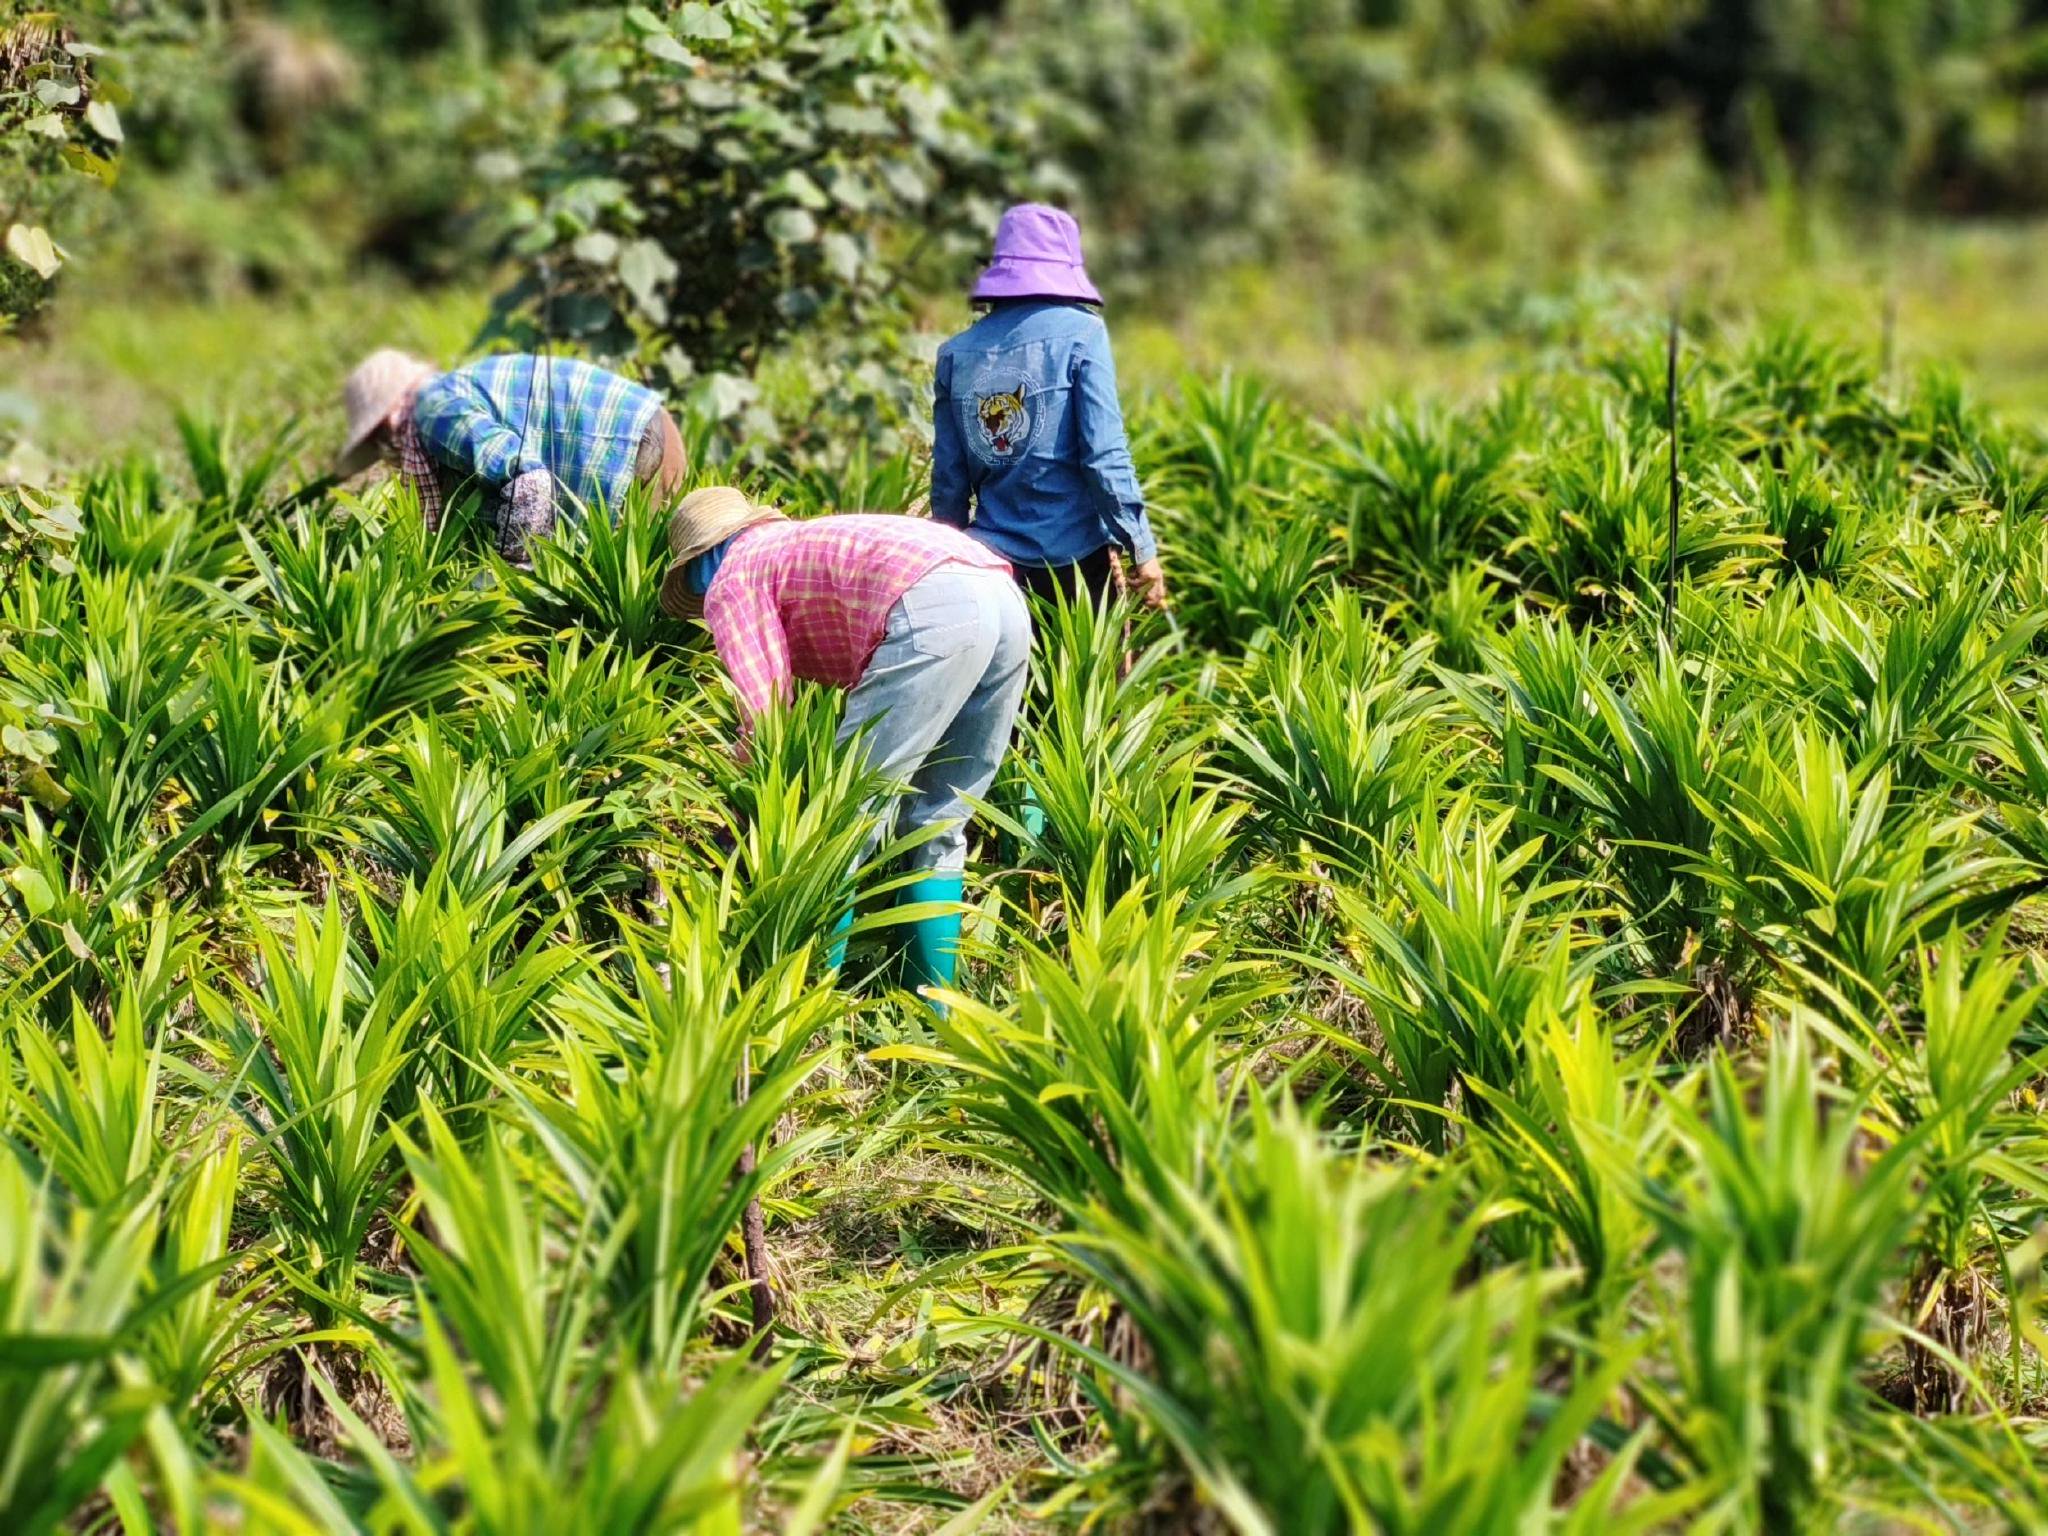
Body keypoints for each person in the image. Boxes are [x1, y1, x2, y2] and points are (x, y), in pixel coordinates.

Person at [658, 487, 1030, 1000]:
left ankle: (813, 1007)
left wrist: (738, 807)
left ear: (698, 564)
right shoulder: (790, 547)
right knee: (940, 819)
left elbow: (766, 713)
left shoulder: (732, 576)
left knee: (843, 820)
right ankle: (930, 1018)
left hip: (928, 607)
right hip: (1001, 594)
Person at [931, 203, 1166, 612]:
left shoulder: (956, 353)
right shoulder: (1083, 334)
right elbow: (1103, 457)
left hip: (991, 566)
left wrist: (947, 558)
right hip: (1077, 565)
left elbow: (949, 480)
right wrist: (1142, 549)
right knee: (1090, 677)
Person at [334, 349, 688, 563]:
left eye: (380, 436)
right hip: (652, 432)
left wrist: (511, 574)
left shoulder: (434, 410)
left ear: (391, 416)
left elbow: (528, 478)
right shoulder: (454, 390)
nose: (386, 448)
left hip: (633, 447)